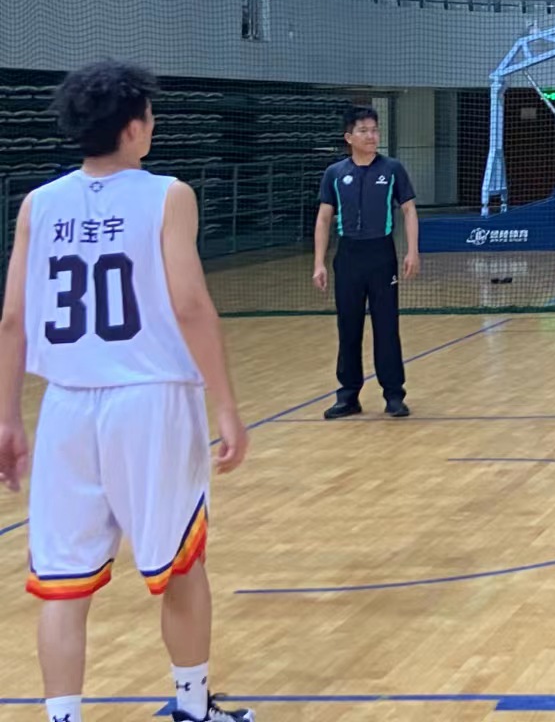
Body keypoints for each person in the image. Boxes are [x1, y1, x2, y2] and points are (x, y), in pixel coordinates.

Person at [0, 60, 254, 722]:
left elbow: (12, 321)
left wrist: (7, 418)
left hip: (65, 406)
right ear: (135, 127)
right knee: (180, 564)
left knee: (63, 585)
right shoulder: (168, 195)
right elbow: (191, 305)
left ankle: (62, 717)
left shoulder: (37, 205)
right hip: (151, 400)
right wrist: (226, 405)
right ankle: (192, 707)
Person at [313, 106, 420, 420]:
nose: (371, 136)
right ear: (349, 137)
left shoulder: (392, 169)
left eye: (374, 130)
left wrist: (412, 251)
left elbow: (409, 210)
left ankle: (394, 395)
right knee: (348, 327)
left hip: (381, 255)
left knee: (386, 327)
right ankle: (348, 396)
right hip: (348, 256)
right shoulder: (334, 173)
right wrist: (319, 262)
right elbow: (323, 218)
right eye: (364, 131)